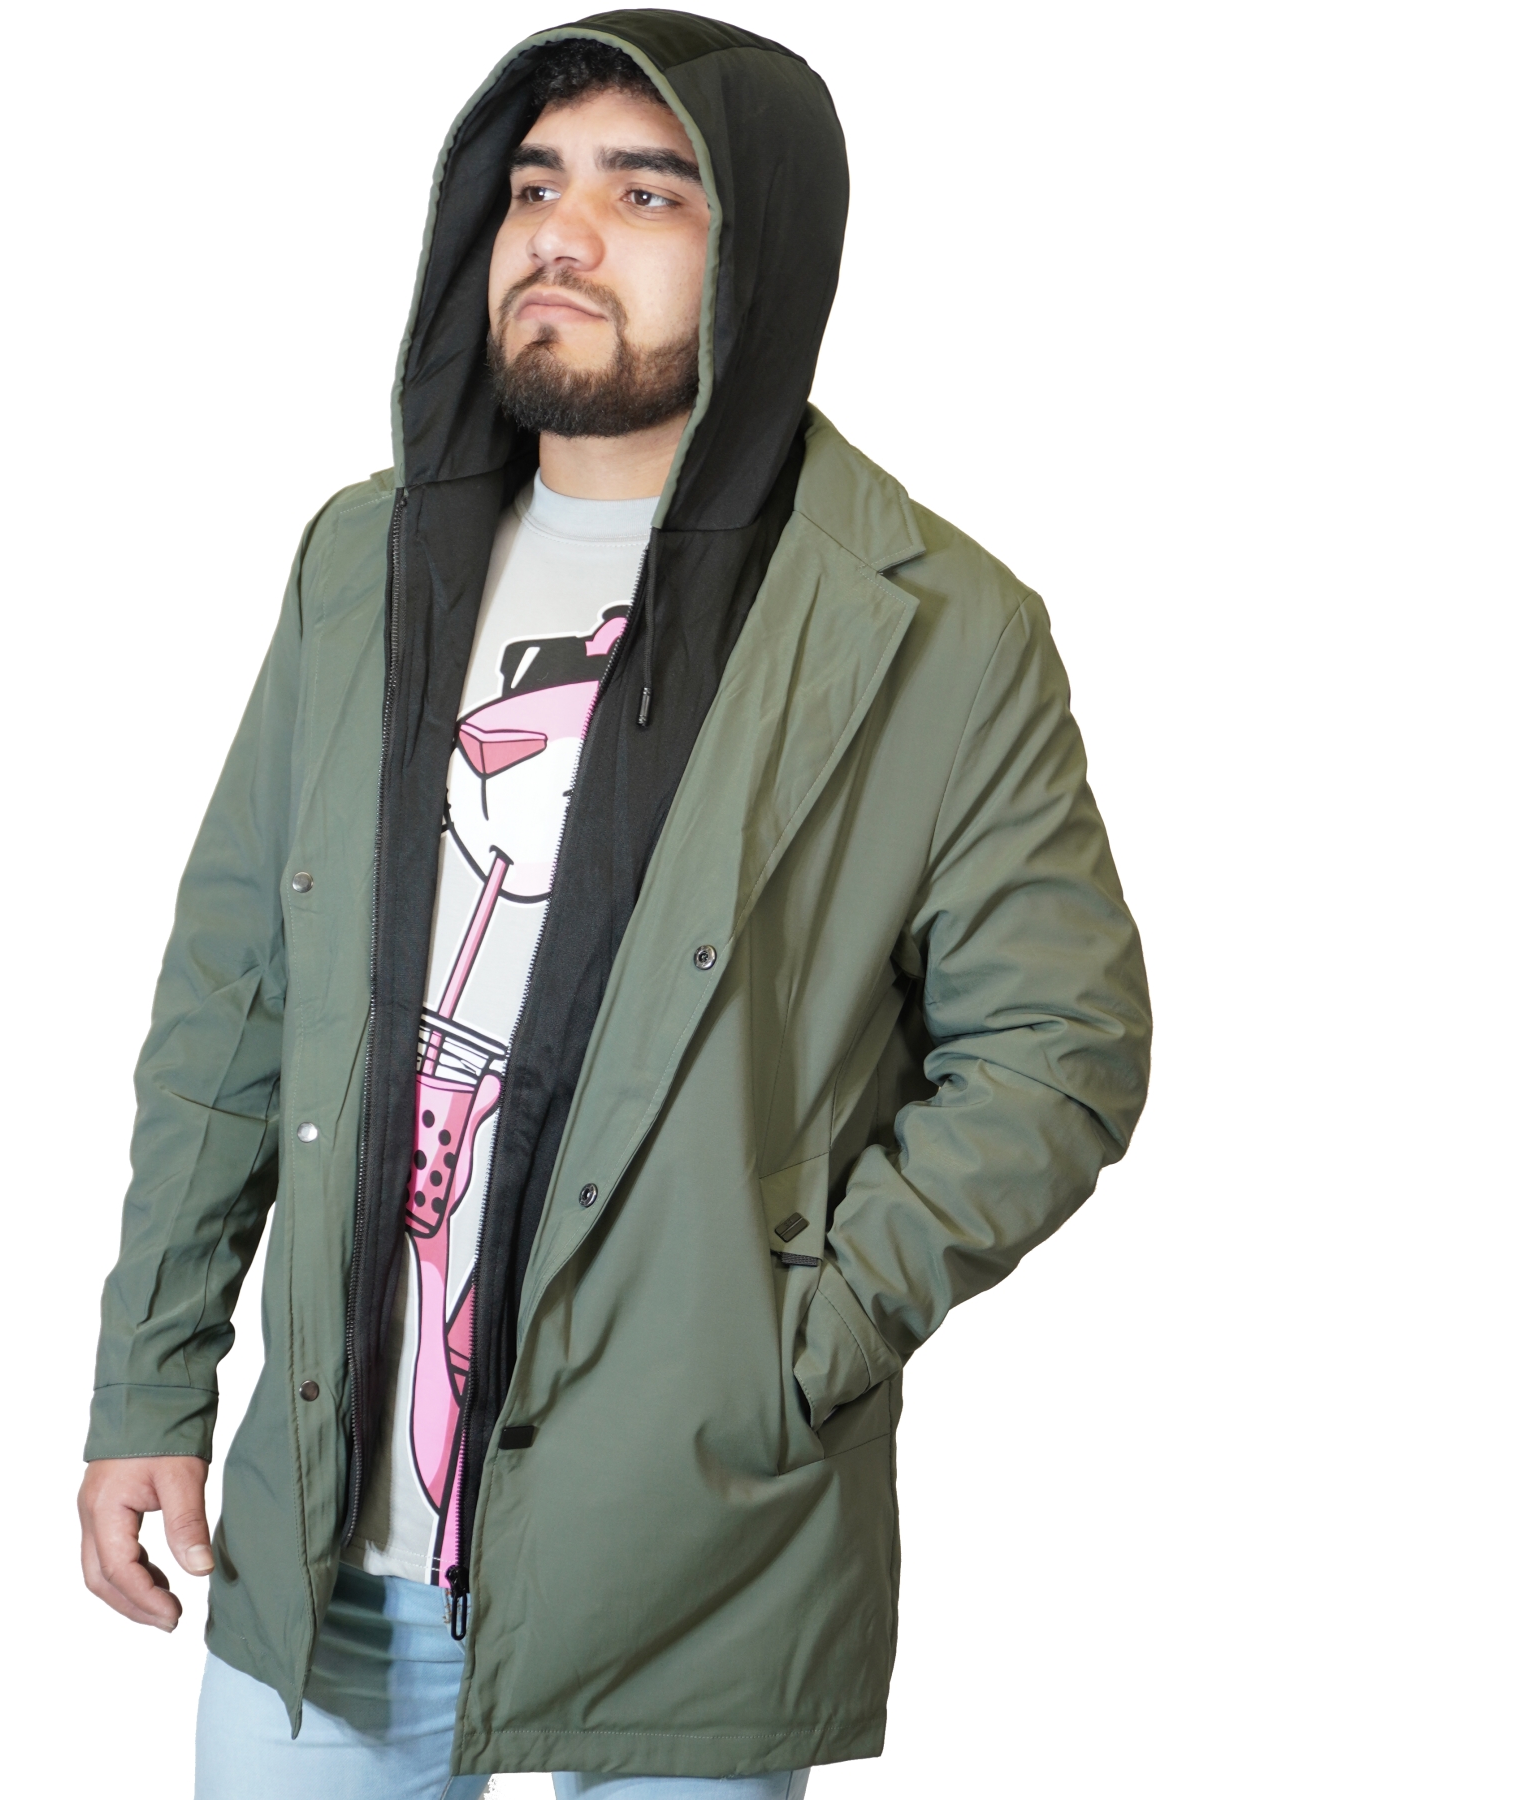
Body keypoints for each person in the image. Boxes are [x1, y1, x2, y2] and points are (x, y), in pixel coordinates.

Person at [78, 14, 1151, 1798]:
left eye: (645, 193)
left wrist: (792, 1342)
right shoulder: (365, 562)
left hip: (698, 1550)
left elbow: (1060, 1048)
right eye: (533, 187)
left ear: (762, 251)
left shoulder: (935, 625)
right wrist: (148, 1383)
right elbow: (234, 993)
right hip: (326, 1540)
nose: (563, 236)